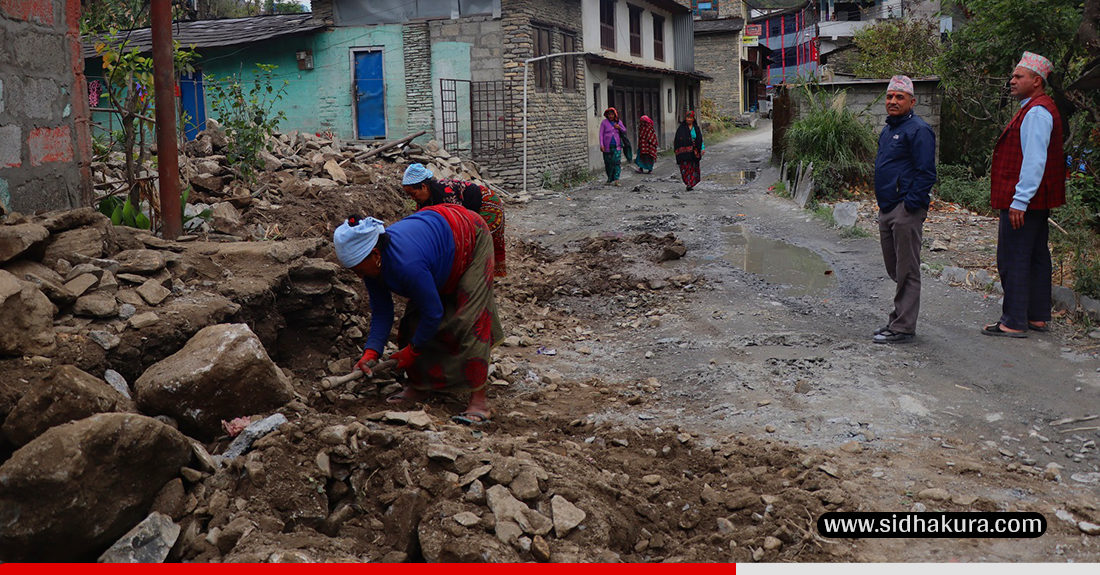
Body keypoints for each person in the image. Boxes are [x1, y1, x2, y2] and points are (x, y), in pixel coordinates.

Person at [333, 205, 503, 424]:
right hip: (437, 247)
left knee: (468, 321)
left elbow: (433, 313)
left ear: (375, 255)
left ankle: (479, 401)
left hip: (470, 235)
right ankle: (420, 386)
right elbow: (382, 310)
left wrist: (412, 352)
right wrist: (371, 352)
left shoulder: (407, 264)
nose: (359, 276)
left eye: (359, 270)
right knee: (412, 323)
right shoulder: (372, 264)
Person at [982, 52, 1065, 338]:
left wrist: (1020, 200)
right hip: (1036, 201)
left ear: (1037, 81)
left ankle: (1014, 321)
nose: (1012, 81)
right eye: (1013, 76)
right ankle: (1037, 316)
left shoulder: (1038, 112)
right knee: (1035, 255)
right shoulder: (1036, 107)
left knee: (1014, 257)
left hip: (1025, 201)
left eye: (1019, 76)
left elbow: (1034, 160)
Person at [871, 75, 937, 344]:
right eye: (889, 96)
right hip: (887, 208)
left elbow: (926, 172)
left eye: (899, 97)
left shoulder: (919, 130)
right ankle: (898, 319)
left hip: (905, 210)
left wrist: (909, 204)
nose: (893, 101)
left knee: (907, 269)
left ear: (912, 101)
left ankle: (904, 327)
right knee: (895, 268)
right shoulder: (888, 130)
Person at [401, 163, 507, 277]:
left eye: (413, 194)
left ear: (424, 187)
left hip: (487, 204)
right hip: (470, 211)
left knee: (483, 242)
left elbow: (458, 223)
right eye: (409, 196)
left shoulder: (445, 194)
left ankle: (486, 275)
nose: (412, 198)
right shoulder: (423, 202)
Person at [674, 110, 705, 190]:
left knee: (693, 168)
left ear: (693, 119)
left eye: (691, 118)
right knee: (685, 168)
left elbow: (700, 139)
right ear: (685, 118)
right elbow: (677, 140)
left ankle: (690, 183)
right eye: (688, 118)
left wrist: (702, 148)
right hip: (684, 154)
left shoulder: (696, 128)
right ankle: (688, 183)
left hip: (694, 153)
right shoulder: (681, 129)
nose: (689, 119)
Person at [599, 107, 627, 185]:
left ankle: (617, 180)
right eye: (609, 114)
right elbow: (601, 134)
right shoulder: (604, 123)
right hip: (607, 147)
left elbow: (624, 130)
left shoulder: (618, 122)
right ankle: (609, 179)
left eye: (612, 114)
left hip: (616, 146)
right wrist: (602, 145)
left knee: (617, 162)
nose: (610, 116)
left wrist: (619, 127)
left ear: (615, 115)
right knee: (608, 163)